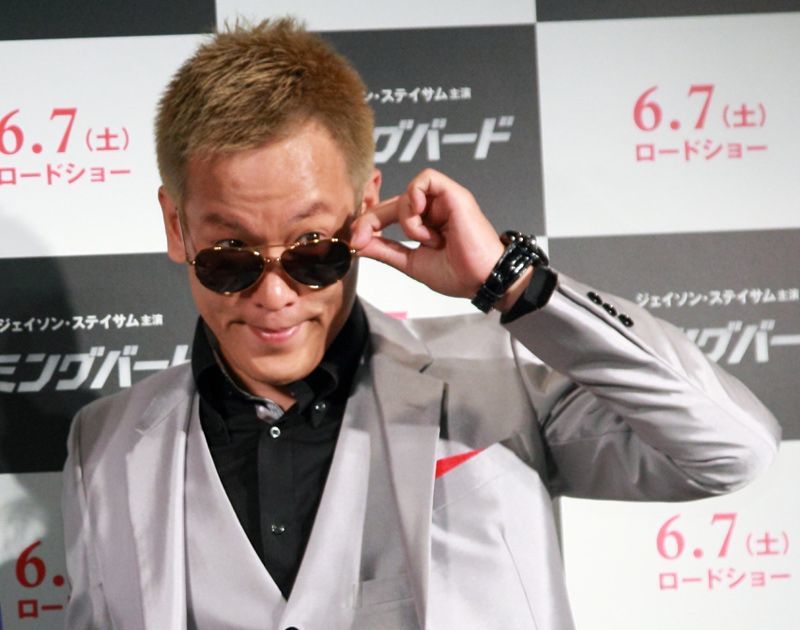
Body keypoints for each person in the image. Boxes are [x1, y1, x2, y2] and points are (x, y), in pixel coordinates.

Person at [61, 18, 780, 630]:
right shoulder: (105, 444)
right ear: (176, 226)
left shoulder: (495, 381)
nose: (275, 294)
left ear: (364, 208)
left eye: (313, 251)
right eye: (230, 258)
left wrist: (513, 284)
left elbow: (732, 449)